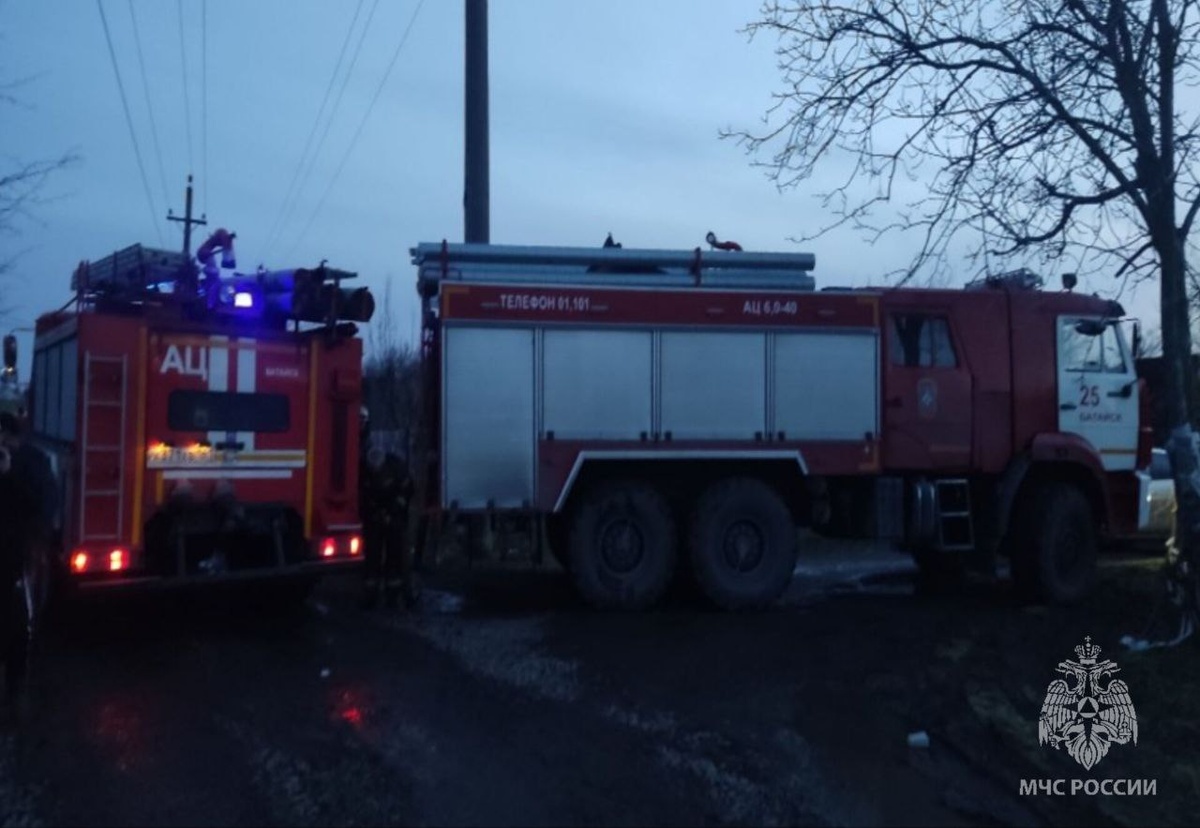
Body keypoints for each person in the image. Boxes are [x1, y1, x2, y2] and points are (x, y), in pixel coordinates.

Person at [358, 409, 417, 610]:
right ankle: (371, 596)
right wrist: (376, 513)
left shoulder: (396, 468)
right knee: (372, 558)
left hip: (395, 520)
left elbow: (407, 490)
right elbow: (364, 497)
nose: (375, 473)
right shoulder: (365, 472)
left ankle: (394, 596)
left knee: (395, 558)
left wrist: (393, 512)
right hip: (374, 520)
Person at [0, 443, 36, 709]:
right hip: (12, 575)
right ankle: (15, 690)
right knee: (17, 631)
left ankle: (15, 689)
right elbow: (31, 509)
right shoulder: (17, 488)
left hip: (11, 572)